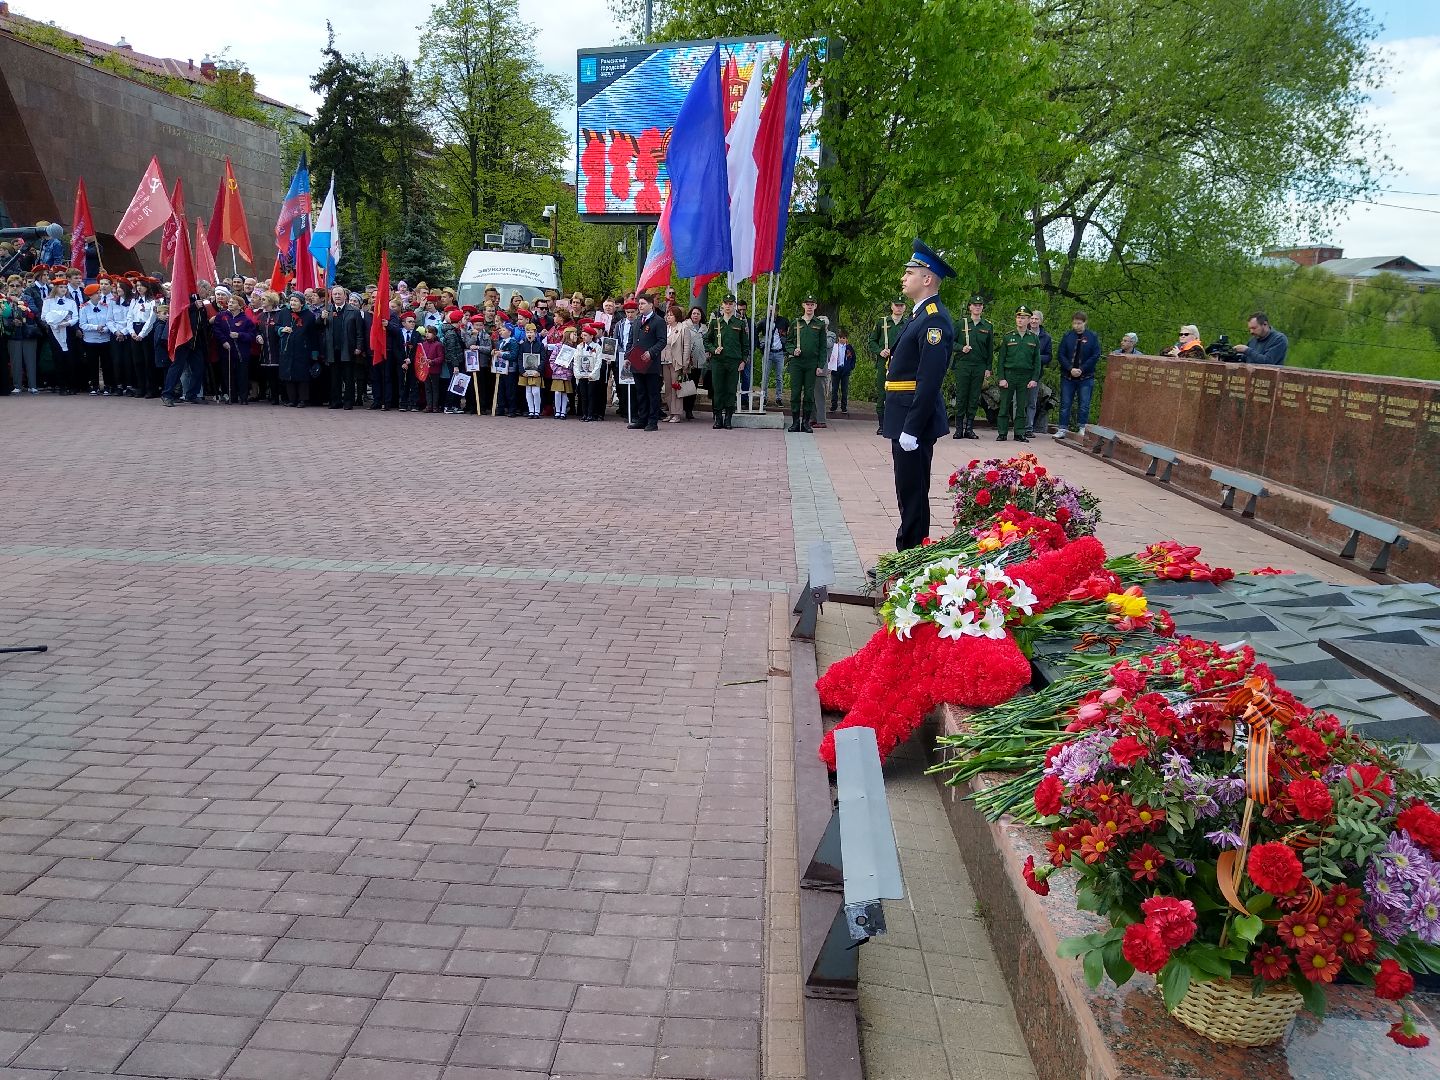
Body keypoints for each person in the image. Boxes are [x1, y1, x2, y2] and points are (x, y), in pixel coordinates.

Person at [884, 241, 955, 551]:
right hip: (903, 414)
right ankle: (910, 553)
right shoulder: (919, 315)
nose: (904, 277)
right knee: (908, 490)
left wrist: (911, 428)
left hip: (914, 420)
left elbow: (928, 380)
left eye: (909, 272)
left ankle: (909, 557)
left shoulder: (934, 319)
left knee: (913, 492)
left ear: (927, 279)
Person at [950, 294, 993, 440]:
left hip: (979, 366)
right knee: (961, 396)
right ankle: (958, 429)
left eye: (980, 305)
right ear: (970, 307)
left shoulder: (987, 326)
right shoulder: (960, 324)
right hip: (963, 364)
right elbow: (950, 343)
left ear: (982, 308)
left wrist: (988, 367)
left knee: (974, 397)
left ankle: (969, 428)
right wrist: (961, 348)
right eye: (975, 305)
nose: (977, 307)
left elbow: (989, 349)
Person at [994, 307, 1040, 442]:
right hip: (1009, 375)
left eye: (1023, 318)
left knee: (1021, 406)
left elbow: (1037, 361)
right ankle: (1002, 432)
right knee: (1004, 405)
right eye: (1018, 317)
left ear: (1028, 321)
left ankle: (1019, 433)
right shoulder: (1008, 336)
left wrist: (1034, 379)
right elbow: (1001, 359)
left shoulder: (1033, 338)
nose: (1020, 320)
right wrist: (1001, 378)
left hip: (1025, 376)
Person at [1054, 310, 1101, 437]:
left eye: (1079, 323)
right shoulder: (1067, 336)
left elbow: (1095, 355)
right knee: (1065, 403)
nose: (1076, 326)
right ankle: (1062, 428)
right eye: (1074, 323)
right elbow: (1061, 354)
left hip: (1086, 376)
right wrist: (1070, 368)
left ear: (1085, 322)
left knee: (1084, 404)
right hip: (1068, 376)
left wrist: (1082, 369)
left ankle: (1082, 427)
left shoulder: (1092, 337)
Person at [704, 293, 747, 429]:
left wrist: (743, 361)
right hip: (718, 361)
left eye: (730, 303)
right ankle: (718, 418)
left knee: (730, 390)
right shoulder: (715, 322)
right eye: (726, 303)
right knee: (718, 390)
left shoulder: (739, 323)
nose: (728, 306)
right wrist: (713, 349)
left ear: (735, 306)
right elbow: (706, 340)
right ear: (722, 305)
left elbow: (745, 345)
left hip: (734, 362)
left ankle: (728, 418)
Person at [785, 296, 827, 433]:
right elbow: (788, 342)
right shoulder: (796, 323)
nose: (809, 307)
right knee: (795, 393)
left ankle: (806, 422)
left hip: (812, 363)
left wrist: (820, 365)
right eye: (807, 304)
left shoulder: (819, 325)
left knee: (809, 394)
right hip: (797, 363)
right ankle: (795, 422)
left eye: (812, 304)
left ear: (815, 306)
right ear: (803, 305)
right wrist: (792, 350)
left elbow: (822, 347)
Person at [868, 298, 908, 435]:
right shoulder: (882, 322)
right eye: (896, 305)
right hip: (883, 363)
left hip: (902, 364)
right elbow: (872, 341)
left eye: (901, 305)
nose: (899, 308)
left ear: (905, 307)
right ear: (891, 306)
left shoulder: (908, 323)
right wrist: (880, 351)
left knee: (900, 394)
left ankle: (898, 424)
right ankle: (882, 425)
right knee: (882, 393)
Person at [629, 294, 665, 431]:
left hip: (650, 363)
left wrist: (651, 352)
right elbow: (632, 341)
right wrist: (628, 356)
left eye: (643, 303)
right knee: (640, 392)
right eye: (639, 304)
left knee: (652, 393)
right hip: (637, 361)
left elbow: (662, 341)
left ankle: (652, 421)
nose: (640, 306)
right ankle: (642, 418)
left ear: (651, 305)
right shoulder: (638, 320)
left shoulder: (658, 321)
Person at [213, 294, 256, 404]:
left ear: (240, 306)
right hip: (226, 352)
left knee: (242, 375)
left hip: (242, 353)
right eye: (230, 302)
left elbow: (251, 336)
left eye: (233, 302)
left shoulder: (246, 320)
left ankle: (243, 397)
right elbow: (216, 330)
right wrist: (223, 341)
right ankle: (232, 396)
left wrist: (239, 335)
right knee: (228, 374)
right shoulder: (221, 316)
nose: (230, 304)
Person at [274, 293, 316, 408]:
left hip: (302, 349)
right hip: (286, 349)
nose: (292, 303)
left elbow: (313, 335)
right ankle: (291, 399)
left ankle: (303, 399)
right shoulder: (283, 312)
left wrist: (314, 352)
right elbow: (276, 326)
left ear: (302, 303)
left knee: (302, 375)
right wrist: (282, 329)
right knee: (288, 375)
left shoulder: (309, 316)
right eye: (291, 300)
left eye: (295, 301)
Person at [3, 287, 39, 393]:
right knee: (15, 361)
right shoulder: (4, 300)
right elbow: (4, 317)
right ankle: (17, 385)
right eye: (12, 285)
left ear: (22, 287)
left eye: (17, 285)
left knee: (30, 360)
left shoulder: (27, 298)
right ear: (8, 287)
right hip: (14, 334)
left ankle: (32, 385)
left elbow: (34, 311)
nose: (14, 288)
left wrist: (18, 302)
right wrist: (12, 322)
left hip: (28, 333)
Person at [1024, 309, 1052, 436]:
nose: (1034, 321)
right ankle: (1018, 426)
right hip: (1020, 372)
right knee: (1018, 401)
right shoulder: (1022, 332)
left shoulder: (1046, 338)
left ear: (1041, 321)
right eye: (1032, 318)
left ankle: (1029, 428)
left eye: (1037, 319)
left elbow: (1049, 357)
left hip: (1035, 374)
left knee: (1032, 402)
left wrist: (1037, 357)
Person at [662, 304, 689, 423]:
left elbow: (687, 347)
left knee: (676, 387)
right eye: (667, 315)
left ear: (677, 316)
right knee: (667, 388)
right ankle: (670, 412)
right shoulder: (664, 328)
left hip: (676, 361)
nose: (668, 317)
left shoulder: (683, 328)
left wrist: (685, 363)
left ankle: (677, 413)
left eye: (671, 315)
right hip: (664, 360)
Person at [518, 322, 546, 418]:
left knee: (536, 391)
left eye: (531, 332)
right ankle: (531, 410)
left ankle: (537, 411)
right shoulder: (522, 345)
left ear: (535, 333)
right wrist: (522, 371)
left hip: (536, 372)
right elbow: (520, 358)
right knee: (528, 391)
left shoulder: (540, 345)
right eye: (527, 332)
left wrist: (539, 371)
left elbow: (543, 359)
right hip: (526, 372)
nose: (529, 334)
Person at [550, 325, 577, 418]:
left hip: (567, 374)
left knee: (565, 393)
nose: (576, 336)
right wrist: (556, 368)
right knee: (557, 392)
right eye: (574, 334)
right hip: (557, 374)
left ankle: (563, 411)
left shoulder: (575, 349)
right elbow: (552, 359)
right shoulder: (558, 346)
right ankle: (557, 411)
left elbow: (575, 362)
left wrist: (570, 367)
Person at [828, 329, 855, 417]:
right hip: (836, 370)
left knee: (844, 389)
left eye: (843, 338)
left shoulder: (849, 348)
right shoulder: (835, 347)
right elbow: (831, 356)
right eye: (840, 338)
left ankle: (844, 407)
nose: (842, 339)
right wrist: (831, 367)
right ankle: (833, 405)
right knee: (834, 389)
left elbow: (853, 358)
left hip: (845, 370)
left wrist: (850, 367)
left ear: (846, 339)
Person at [417, 326, 444, 413]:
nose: (427, 334)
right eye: (426, 332)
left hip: (434, 369)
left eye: (430, 332)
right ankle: (429, 405)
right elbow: (420, 356)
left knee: (435, 388)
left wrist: (432, 361)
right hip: (425, 370)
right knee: (427, 388)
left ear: (434, 334)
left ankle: (435, 406)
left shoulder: (438, 344)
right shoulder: (423, 344)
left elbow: (441, 357)